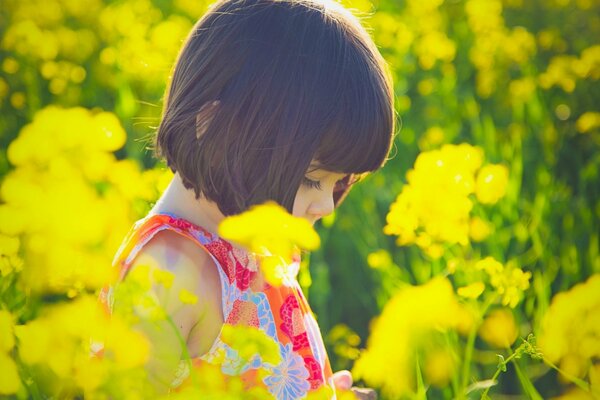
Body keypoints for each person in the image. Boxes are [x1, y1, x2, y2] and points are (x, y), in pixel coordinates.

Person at [97, 0, 395, 398]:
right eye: (310, 179)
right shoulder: (169, 275)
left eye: (338, 182)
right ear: (217, 129)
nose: (325, 205)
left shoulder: (254, 247)